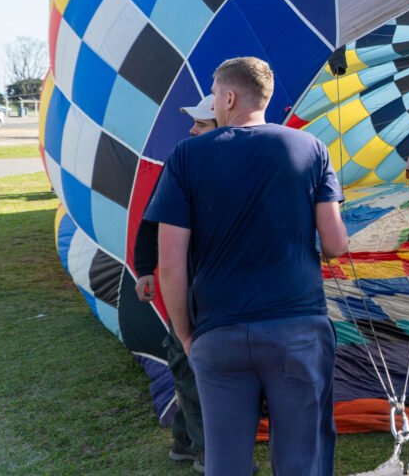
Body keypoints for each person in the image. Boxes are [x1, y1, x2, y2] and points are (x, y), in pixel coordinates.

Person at [147, 57, 349, 476]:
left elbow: (169, 264)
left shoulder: (186, 157)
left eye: (216, 96)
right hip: (296, 328)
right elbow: (334, 244)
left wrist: (187, 335)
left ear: (229, 96)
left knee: (226, 462)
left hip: (219, 333)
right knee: (301, 460)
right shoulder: (310, 147)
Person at [133, 95, 218, 471]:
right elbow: (151, 219)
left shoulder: (233, 164)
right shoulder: (182, 163)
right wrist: (145, 267)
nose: (191, 129)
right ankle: (207, 454)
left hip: (210, 281)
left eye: (200, 123)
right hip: (187, 282)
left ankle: (184, 442)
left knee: (192, 365)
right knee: (189, 362)